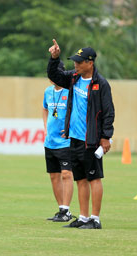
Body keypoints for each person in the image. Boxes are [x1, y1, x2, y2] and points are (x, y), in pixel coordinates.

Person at [47, 39, 115, 229]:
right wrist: (54, 58)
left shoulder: (100, 84)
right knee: (81, 180)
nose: (75, 65)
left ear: (90, 63)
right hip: (75, 139)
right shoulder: (74, 78)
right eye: (75, 61)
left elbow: (108, 112)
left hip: (91, 140)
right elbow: (54, 75)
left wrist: (105, 136)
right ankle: (84, 217)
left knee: (94, 178)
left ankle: (95, 219)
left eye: (79, 62)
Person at [42, 72, 74, 222]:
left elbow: (79, 112)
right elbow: (45, 109)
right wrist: (45, 128)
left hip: (65, 142)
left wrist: (71, 129)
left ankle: (67, 210)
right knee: (54, 176)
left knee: (66, 174)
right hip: (50, 142)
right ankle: (61, 209)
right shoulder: (48, 92)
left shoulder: (70, 92)